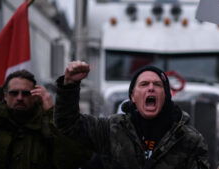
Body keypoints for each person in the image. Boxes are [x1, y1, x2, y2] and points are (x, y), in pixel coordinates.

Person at [54, 60, 210, 169]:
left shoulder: (189, 139)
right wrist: (69, 85)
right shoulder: (110, 129)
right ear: (132, 97)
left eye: (157, 84)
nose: (150, 88)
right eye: (143, 84)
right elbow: (68, 124)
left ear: (167, 96)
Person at [0, 69, 91, 169]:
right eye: (14, 93)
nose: (20, 98)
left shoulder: (47, 123)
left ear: (35, 96)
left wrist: (51, 112)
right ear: (5, 96)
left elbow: (74, 159)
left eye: (26, 93)